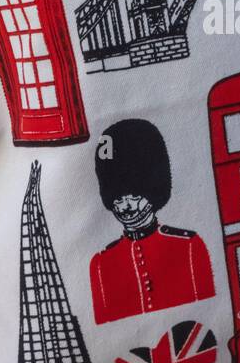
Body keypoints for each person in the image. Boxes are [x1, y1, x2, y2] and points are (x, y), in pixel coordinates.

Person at [89, 119, 215, 324]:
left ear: (153, 191)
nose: (126, 207)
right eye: (118, 199)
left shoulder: (189, 245)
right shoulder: (101, 264)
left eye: (135, 196)